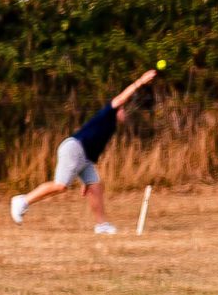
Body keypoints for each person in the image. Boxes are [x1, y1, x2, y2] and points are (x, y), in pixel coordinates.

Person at [11, 67, 156, 234]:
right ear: (117, 109)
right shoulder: (108, 113)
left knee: (95, 186)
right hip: (74, 148)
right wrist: (141, 81)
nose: (125, 113)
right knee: (60, 186)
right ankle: (23, 201)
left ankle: (101, 225)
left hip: (85, 157)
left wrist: (85, 181)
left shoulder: (110, 128)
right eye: (123, 109)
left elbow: (93, 153)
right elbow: (122, 97)